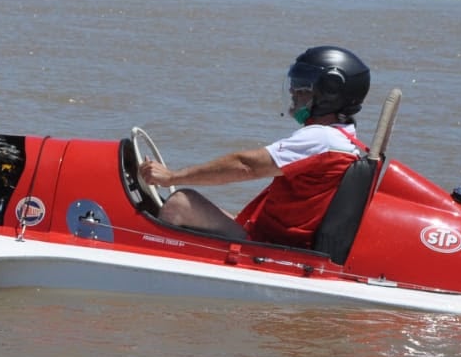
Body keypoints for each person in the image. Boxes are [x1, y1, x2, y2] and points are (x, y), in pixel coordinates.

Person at [138, 46, 371, 248]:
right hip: (275, 238)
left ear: (329, 91)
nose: (293, 91)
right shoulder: (347, 139)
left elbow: (245, 166)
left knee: (180, 202)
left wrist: (171, 177)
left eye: (303, 85)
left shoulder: (321, 139)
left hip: (270, 245)